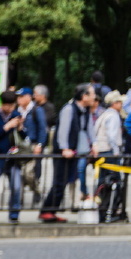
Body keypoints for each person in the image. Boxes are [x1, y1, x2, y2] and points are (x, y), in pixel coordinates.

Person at [39, 84, 97, 223]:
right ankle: (47, 211)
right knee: (59, 181)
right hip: (63, 152)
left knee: (65, 181)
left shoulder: (85, 110)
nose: (94, 97)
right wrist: (64, 148)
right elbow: (62, 131)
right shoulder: (69, 109)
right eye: (92, 94)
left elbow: (89, 128)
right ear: (84, 96)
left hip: (74, 151)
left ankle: (51, 211)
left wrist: (94, 144)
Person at [0, 90, 24, 224]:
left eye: (12, 106)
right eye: (7, 105)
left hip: (14, 156)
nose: (9, 108)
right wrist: (6, 127)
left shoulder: (16, 115)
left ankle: (14, 214)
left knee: (16, 185)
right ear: (2, 104)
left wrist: (20, 127)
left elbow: (24, 136)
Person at [94, 89, 126, 222]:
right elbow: (112, 136)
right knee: (114, 182)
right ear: (115, 103)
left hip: (102, 152)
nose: (121, 105)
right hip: (110, 152)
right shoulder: (113, 116)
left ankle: (101, 212)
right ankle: (111, 212)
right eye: (120, 102)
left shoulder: (104, 114)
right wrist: (116, 151)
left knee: (103, 183)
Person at [15, 87, 47, 197]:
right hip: (20, 145)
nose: (19, 99)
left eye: (21, 96)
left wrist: (40, 144)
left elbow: (42, 128)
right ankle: (19, 198)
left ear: (29, 97)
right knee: (20, 172)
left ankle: (36, 191)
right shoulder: (17, 110)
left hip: (32, 144)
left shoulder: (36, 110)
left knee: (29, 172)